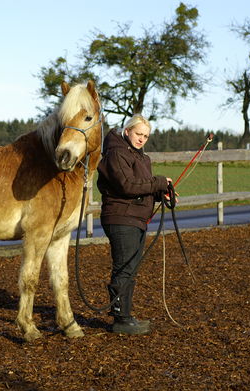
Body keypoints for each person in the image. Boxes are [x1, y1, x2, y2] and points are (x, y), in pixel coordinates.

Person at [96, 114, 172, 335]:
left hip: (135, 218)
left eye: (146, 136)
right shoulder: (117, 153)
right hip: (121, 217)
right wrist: (158, 181)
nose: (142, 139)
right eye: (138, 134)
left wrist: (161, 193)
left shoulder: (139, 157)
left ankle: (126, 316)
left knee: (130, 267)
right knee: (124, 267)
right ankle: (121, 319)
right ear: (127, 131)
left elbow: (141, 187)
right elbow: (127, 185)